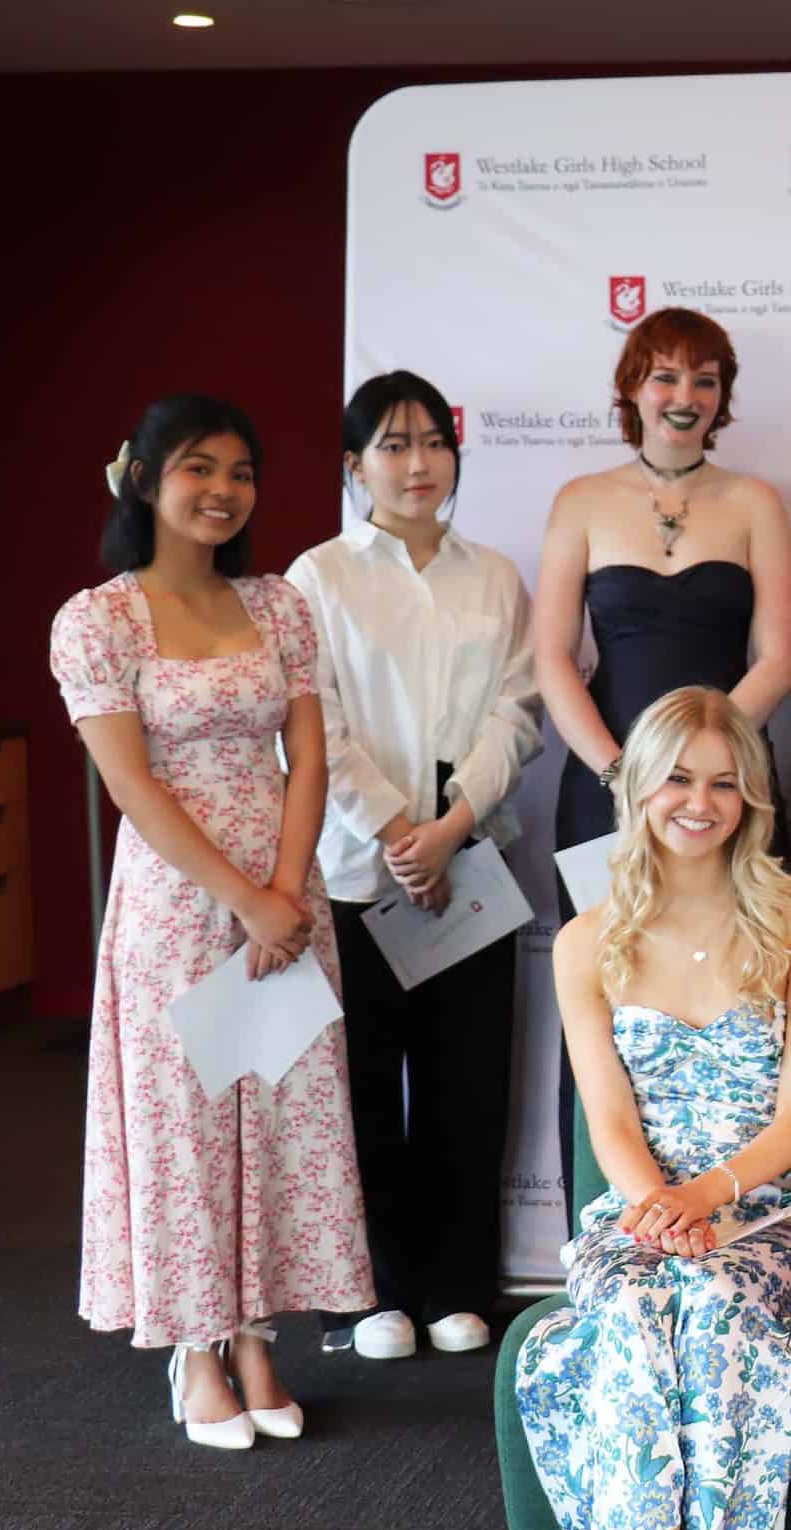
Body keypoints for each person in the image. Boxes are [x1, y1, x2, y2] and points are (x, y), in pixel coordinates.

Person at [514, 685, 791, 1530]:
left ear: (752, 795)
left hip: (767, 1205)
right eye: (676, 778)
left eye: (722, 781)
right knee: (629, 1312)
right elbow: (609, 1115)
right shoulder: (587, 940)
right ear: (637, 788)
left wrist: (710, 1197)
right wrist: (657, 1207)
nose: (698, 801)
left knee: (712, 1305)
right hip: (640, 1206)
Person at [52, 393, 372, 1449]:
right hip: (176, 907)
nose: (223, 490)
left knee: (281, 1119)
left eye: (241, 471)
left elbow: (308, 752)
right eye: (199, 467)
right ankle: (194, 1345)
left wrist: (286, 891)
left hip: (286, 898)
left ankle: (256, 1336)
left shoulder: (278, 604)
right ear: (145, 478)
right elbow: (132, 785)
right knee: (186, 1126)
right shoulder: (98, 620)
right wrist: (245, 898)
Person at [287, 369, 542, 1361]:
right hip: (356, 868)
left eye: (434, 441)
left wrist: (450, 826)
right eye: (393, 445)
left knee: (465, 1084)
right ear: (356, 466)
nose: (418, 462)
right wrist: (399, 828)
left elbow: (517, 709)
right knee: (359, 1087)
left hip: (468, 861)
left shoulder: (495, 576)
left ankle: (456, 1283)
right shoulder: (319, 577)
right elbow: (315, 721)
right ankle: (371, 1292)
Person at [536, 308, 791, 1206]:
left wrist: (699, 771)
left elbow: (778, 660)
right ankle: (603, 1220)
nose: (685, 396)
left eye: (704, 380)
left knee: (750, 997)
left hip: (729, 791)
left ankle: (748, 1207)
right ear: (631, 387)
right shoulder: (581, 499)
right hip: (605, 786)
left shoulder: (756, 502)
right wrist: (629, 776)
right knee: (602, 1001)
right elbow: (552, 660)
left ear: (723, 397)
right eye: (665, 376)